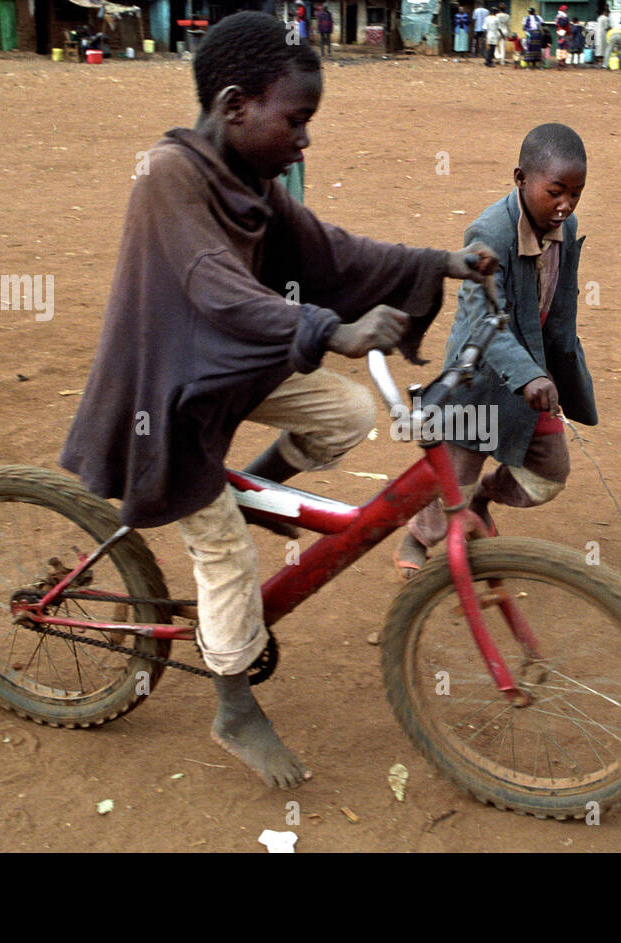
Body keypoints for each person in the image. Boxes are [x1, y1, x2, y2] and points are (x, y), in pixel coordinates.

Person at [60, 11, 497, 789]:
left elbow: (333, 252)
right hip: (168, 395)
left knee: (349, 415)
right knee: (227, 555)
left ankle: (259, 489)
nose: (305, 140)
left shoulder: (252, 183)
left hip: (228, 372)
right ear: (235, 107)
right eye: (296, 120)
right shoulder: (167, 175)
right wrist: (330, 328)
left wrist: (440, 262)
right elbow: (216, 290)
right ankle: (233, 707)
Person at [396, 124, 596, 576]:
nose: (566, 205)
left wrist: (551, 373)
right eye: (556, 191)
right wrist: (526, 374)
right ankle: (417, 537)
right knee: (456, 478)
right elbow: (485, 320)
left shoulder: (567, 226)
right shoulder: (488, 234)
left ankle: (484, 502)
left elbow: (560, 308)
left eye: (577, 193)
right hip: (480, 378)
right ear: (520, 178)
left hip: (535, 380)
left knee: (548, 474)